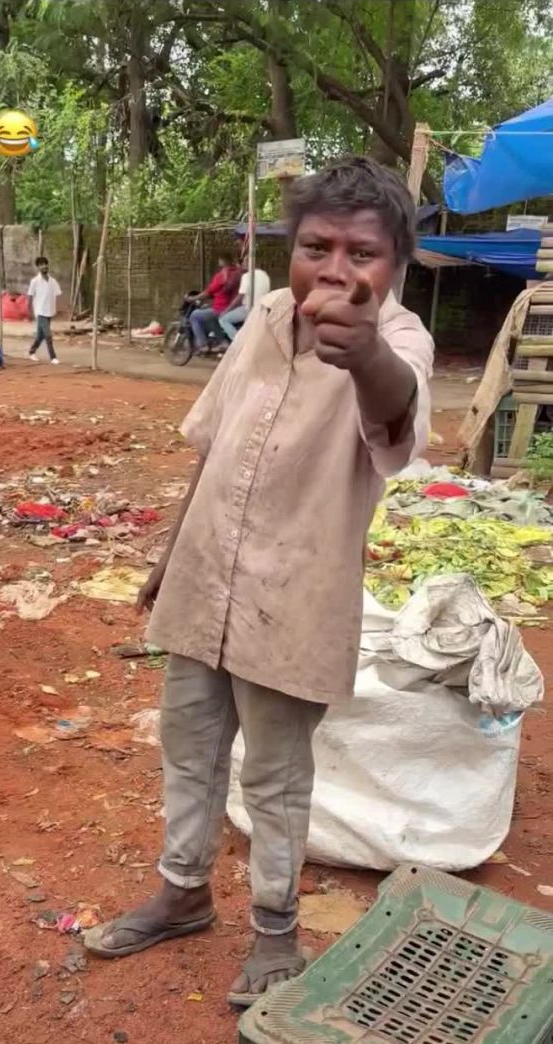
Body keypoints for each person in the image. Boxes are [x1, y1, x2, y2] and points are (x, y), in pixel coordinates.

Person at [84, 156, 434, 1005]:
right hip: (206, 578)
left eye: (362, 254)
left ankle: (276, 933)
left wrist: (363, 358)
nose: (336, 270)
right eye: (317, 247)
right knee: (189, 747)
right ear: (291, 250)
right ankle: (183, 893)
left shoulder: (399, 341)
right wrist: (170, 557)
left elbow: (398, 415)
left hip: (293, 600)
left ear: (395, 264)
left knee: (274, 777)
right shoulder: (265, 318)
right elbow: (212, 446)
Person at [188, 250, 240, 352]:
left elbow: (208, 291)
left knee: (194, 315)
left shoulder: (222, 275)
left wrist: (192, 298)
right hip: (234, 307)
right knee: (210, 317)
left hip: (221, 308)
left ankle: (203, 344)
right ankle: (222, 342)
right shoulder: (237, 273)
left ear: (222, 261)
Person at [218, 257, 271, 341]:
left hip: (249, 308)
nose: (243, 264)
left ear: (251, 263)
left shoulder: (247, 276)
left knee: (223, 320)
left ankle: (238, 341)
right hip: (262, 308)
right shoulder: (265, 275)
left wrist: (226, 310)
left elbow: (240, 297)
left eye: (245, 261)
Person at [27, 256, 62, 365]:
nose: (44, 266)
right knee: (48, 335)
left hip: (49, 311)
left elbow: (57, 294)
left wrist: (58, 309)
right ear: (38, 267)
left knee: (40, 336)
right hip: (40, 311)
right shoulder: (35, 281)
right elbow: (30, 296)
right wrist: (29, 312)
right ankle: (53, 357)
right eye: (41, 265)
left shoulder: (52, 281)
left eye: (45, 264)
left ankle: (31, 352)